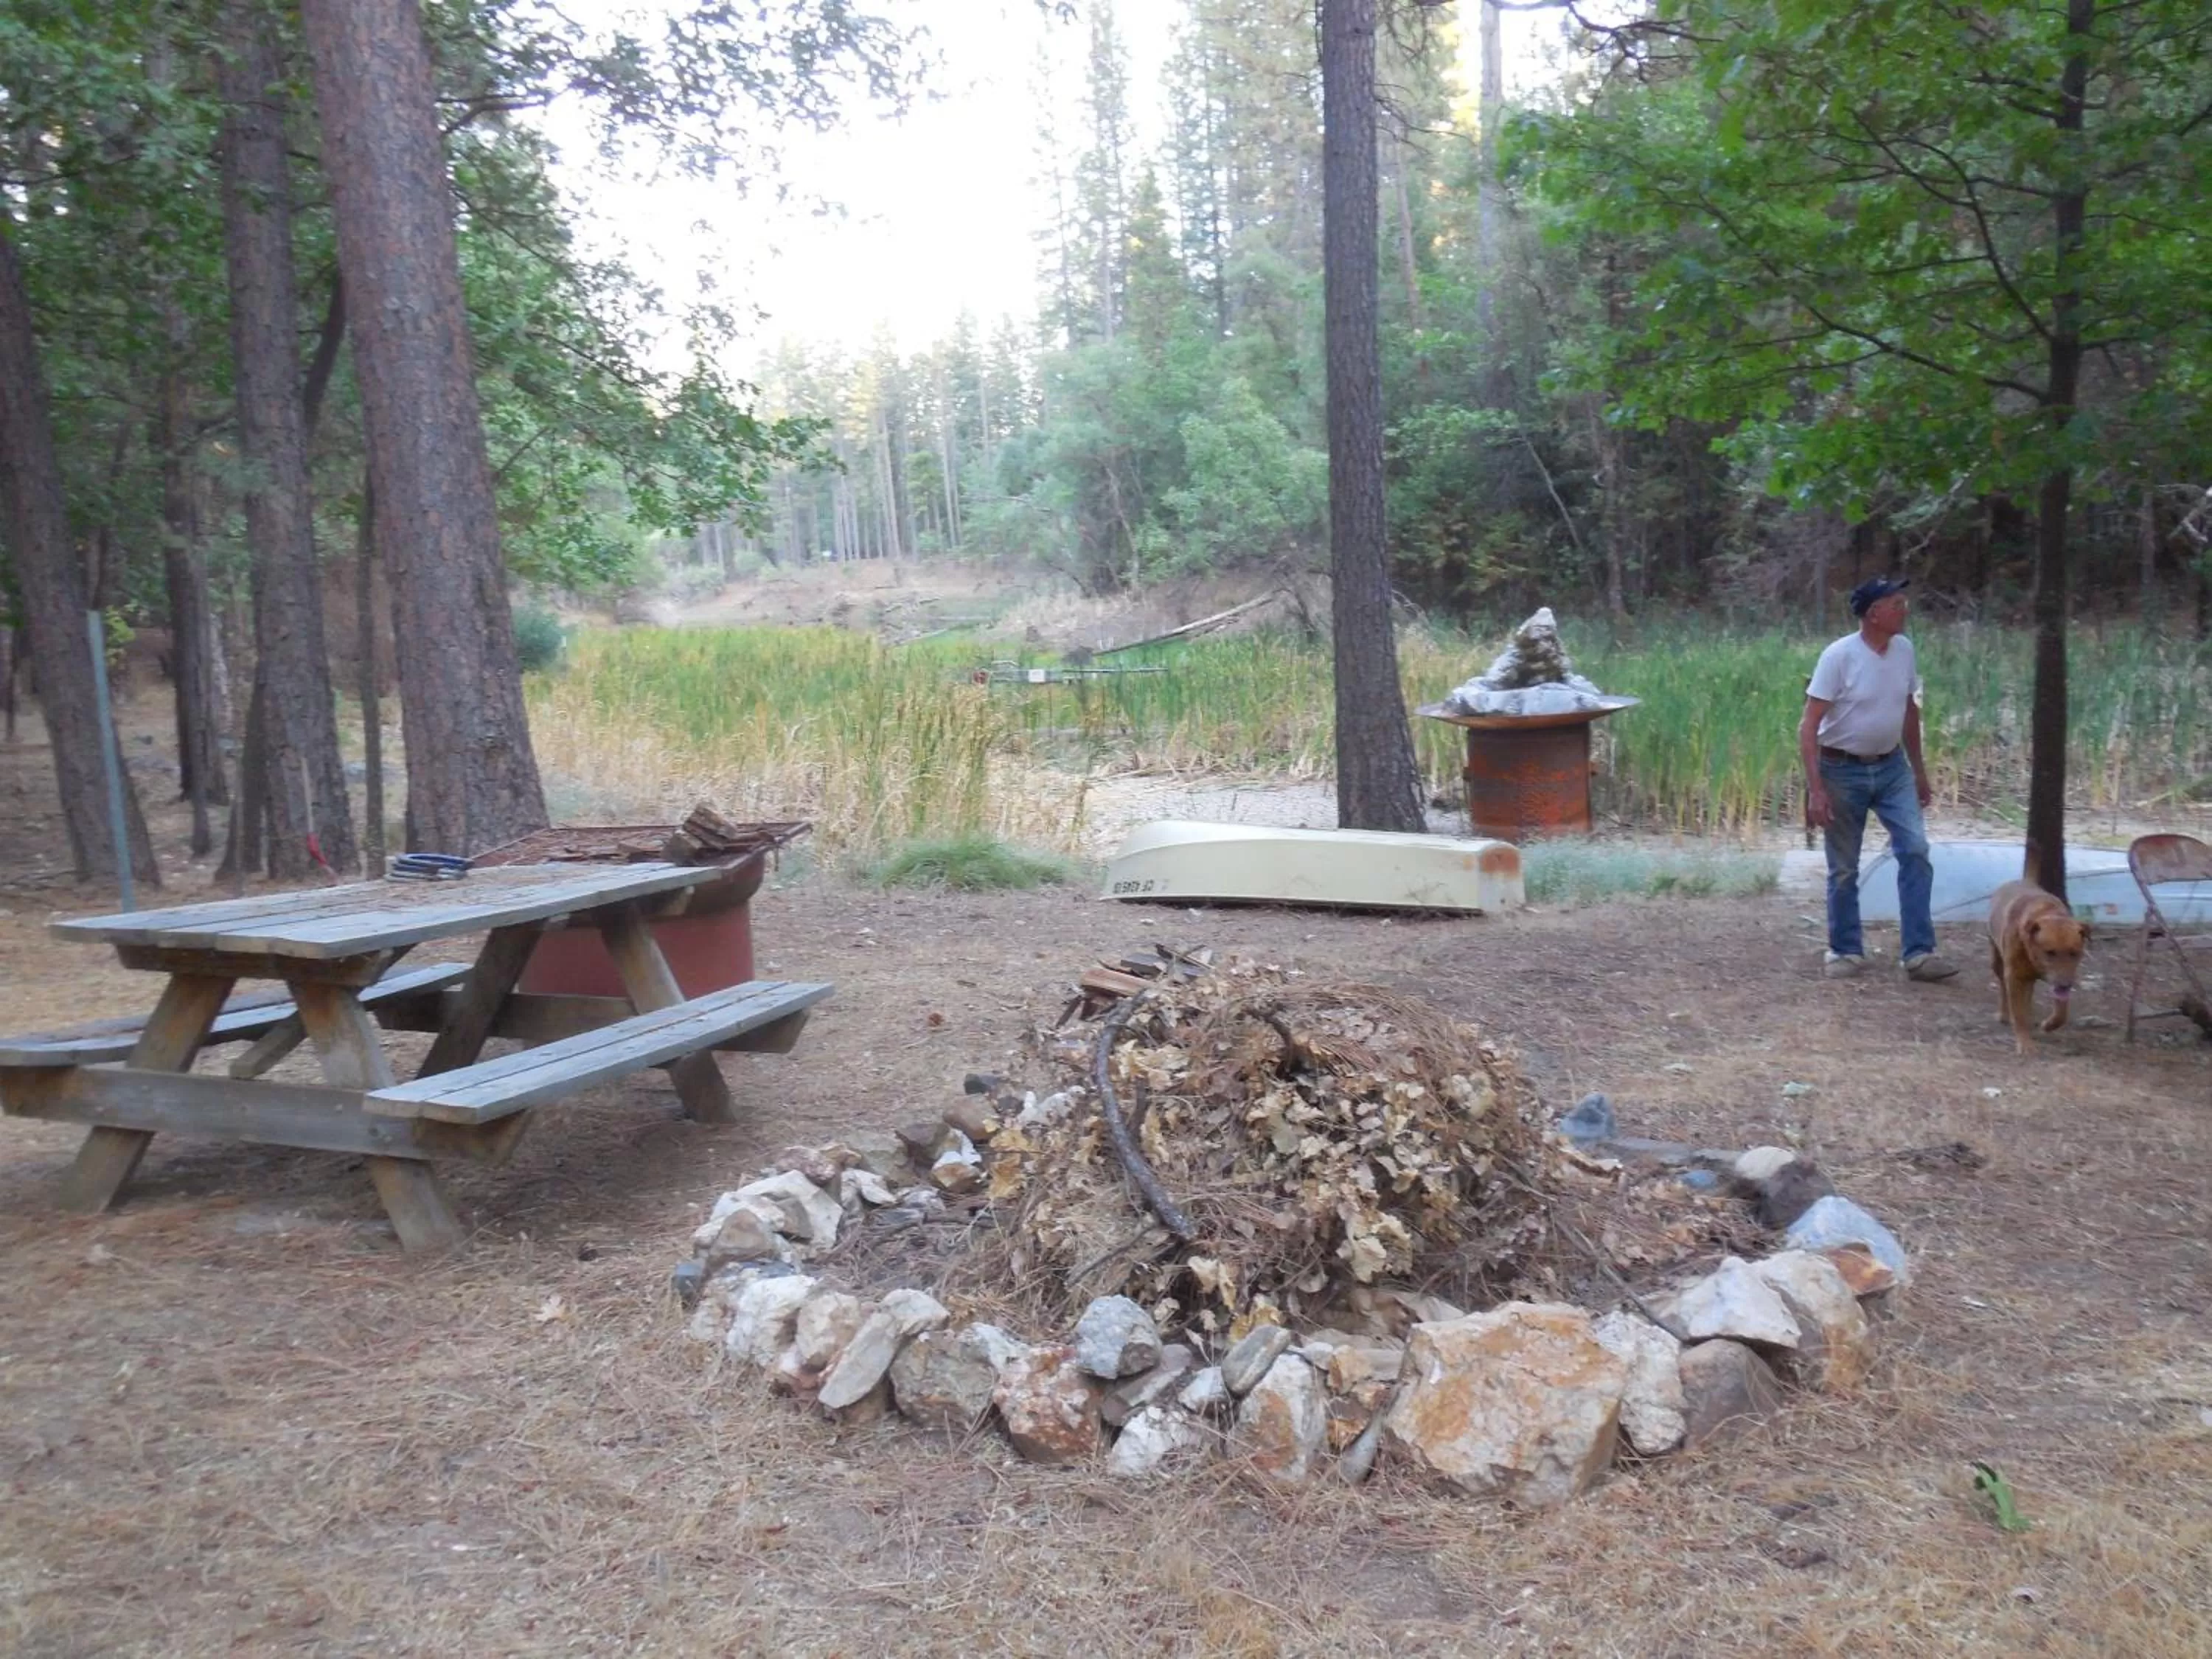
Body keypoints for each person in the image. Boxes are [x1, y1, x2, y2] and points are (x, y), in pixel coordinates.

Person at [1799, 577, 1958, 982]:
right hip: (1841, 769)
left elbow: (1909, 711)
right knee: (1844, 868)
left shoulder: (1904, 650)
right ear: (1873, 613)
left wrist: (1919, 770)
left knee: (1916, 850)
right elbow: (1809, 723)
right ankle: (1846, 950)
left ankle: (1919, 953)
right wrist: (1816, 789)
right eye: (1896, 604)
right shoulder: (1839, 656)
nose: (1904, 610)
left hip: (1892, 768)